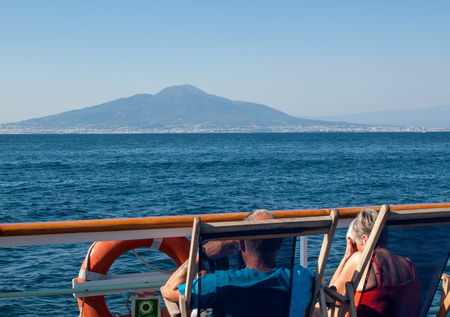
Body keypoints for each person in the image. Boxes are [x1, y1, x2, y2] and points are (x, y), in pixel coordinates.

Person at [161, 209, 314, 317]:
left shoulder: (219, 283)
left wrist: (202, 254)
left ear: (241, 245)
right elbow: (321, 282)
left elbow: (168, 290)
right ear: (281, 243)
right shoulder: (300, 277)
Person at [329, 209, 421, 317]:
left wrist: (347, 257)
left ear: (365, 239)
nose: (356, 249)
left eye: (356, 244)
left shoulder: (360, 260)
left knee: (318, 309)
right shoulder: (408, 264)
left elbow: (332, 297)